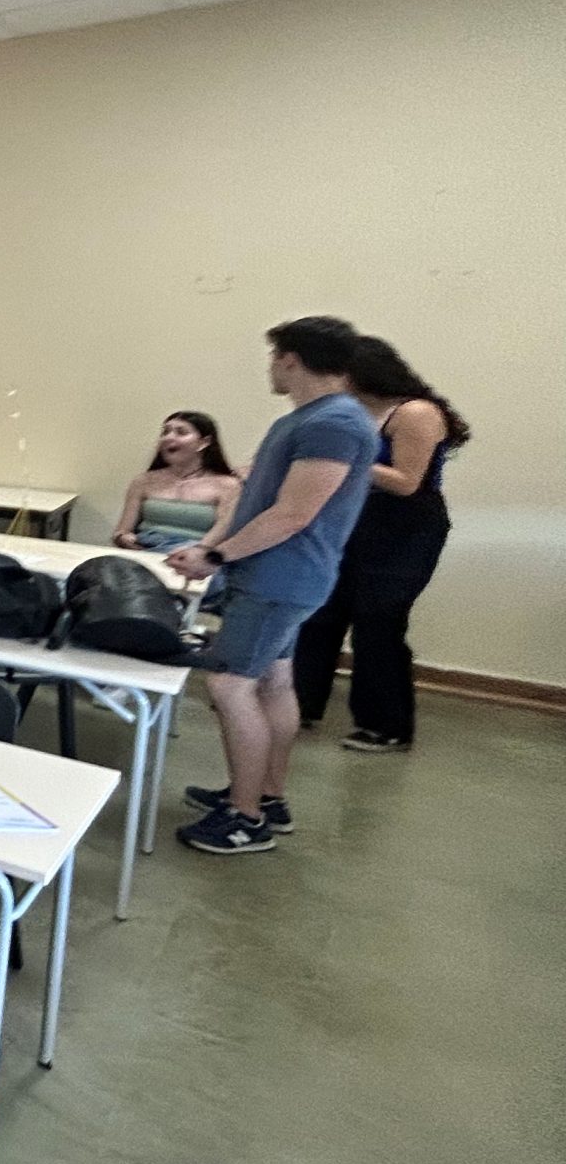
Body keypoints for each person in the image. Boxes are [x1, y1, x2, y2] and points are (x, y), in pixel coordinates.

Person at [171, 317, 377, 855]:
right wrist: (217, 547)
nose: (270, 368)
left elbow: (293, 514)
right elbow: (266, 500)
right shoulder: (312, 418)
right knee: (273, 683)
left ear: (290, 359)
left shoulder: (334, 423)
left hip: (279, 578)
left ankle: (246, 819)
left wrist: (216, 556)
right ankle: (265, 795)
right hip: (276, 576)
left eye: (274, 358)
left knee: (229, 686)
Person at [291, 336, 470, 754]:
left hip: (405, 528)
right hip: (355, 520)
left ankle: (386, 725)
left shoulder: (416, 412)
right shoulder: (350, 411)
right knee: (321, 613)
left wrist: (344, 460)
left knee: (378, 621)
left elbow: (407, 482)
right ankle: (301, 703)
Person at [110, 411, 241, 554]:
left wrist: (196, 552)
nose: (168, 437)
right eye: (165, 432)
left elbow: (223, 531)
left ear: (204, 442)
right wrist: (123, 538)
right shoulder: (143, 481)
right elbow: (122, 530)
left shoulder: (228, 485)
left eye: (181, 432)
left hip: (194, 556)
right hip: (145, 550)